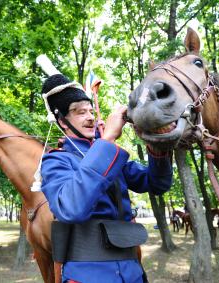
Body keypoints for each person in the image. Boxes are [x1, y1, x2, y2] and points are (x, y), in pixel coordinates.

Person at [40, 74, 173, 283]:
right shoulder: (55, 161)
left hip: (133, 272)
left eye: (91, 111)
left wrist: (156, 142)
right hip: (88, 275)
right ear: (62, 121)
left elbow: (157, 183)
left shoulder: (108, 154)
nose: (91, 117)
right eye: (80, 112)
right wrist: (108, 137)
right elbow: (70, 208)